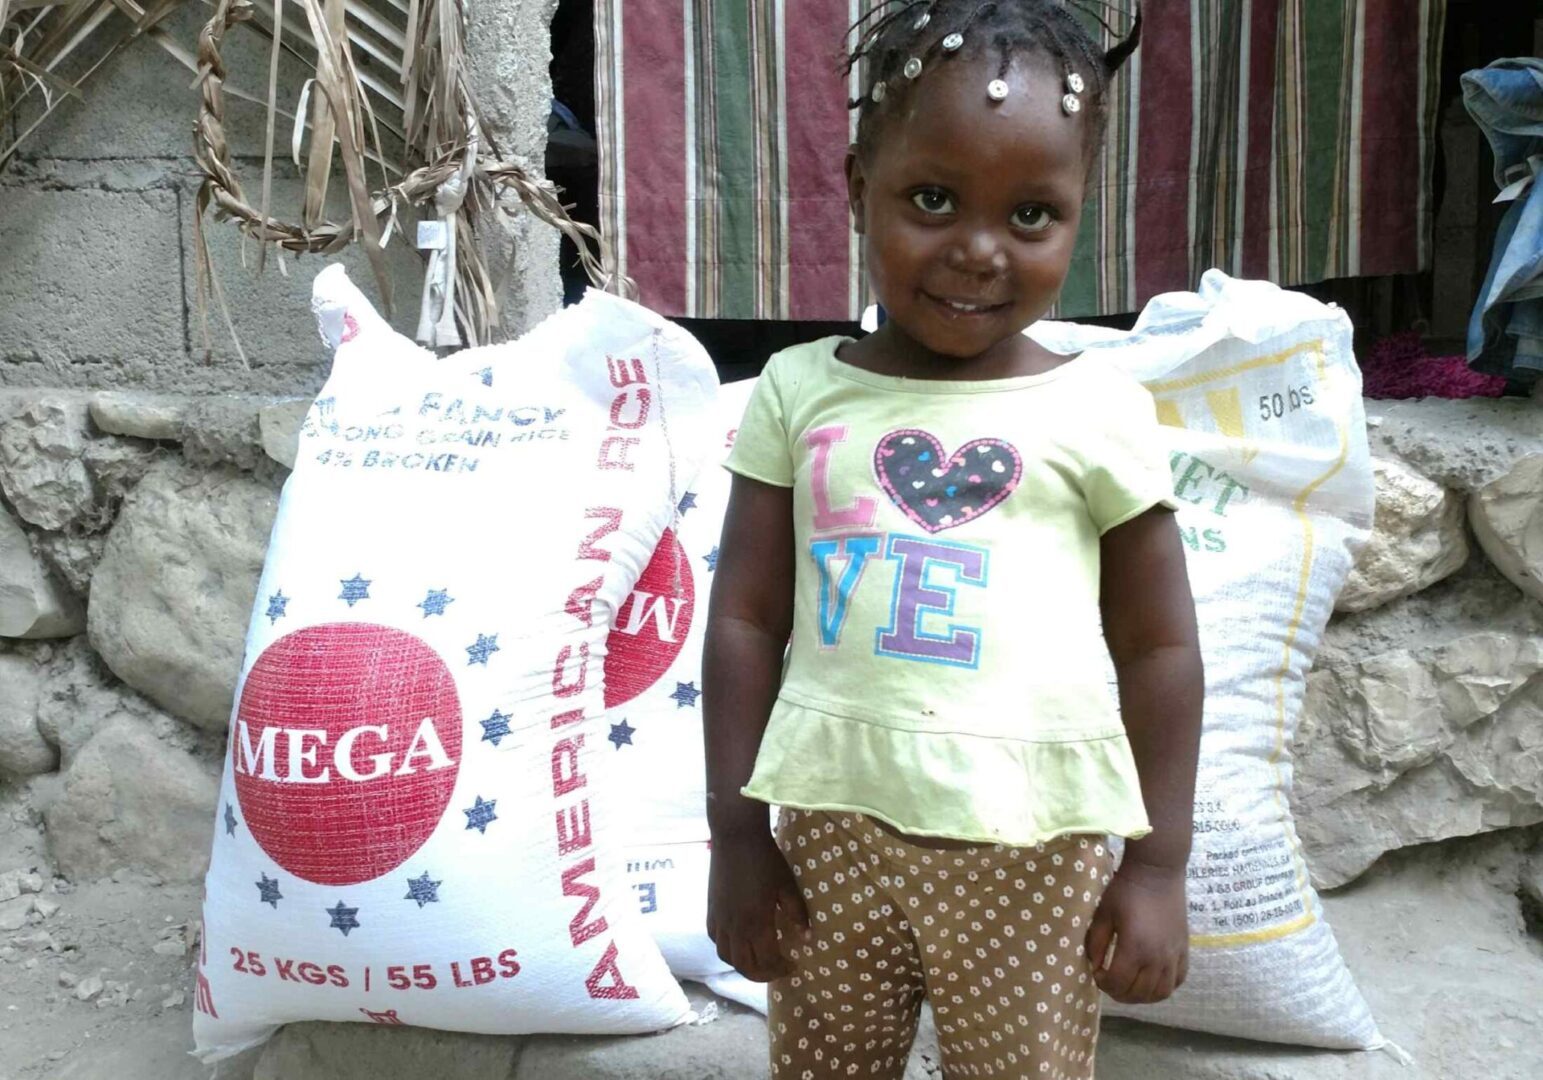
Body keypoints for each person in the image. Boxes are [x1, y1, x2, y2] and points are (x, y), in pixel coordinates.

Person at [703, 2, 1202, 1077]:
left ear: (1077, 216)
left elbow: (1160, 648)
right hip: (830, 827)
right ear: (854, 187)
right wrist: (739, 840)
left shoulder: (1097, 410)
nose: (977, 251)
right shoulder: (799, 392)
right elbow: (746, 621)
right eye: (932, 199)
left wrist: (1158, 867)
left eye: (1031, 215)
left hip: (1034, 852)